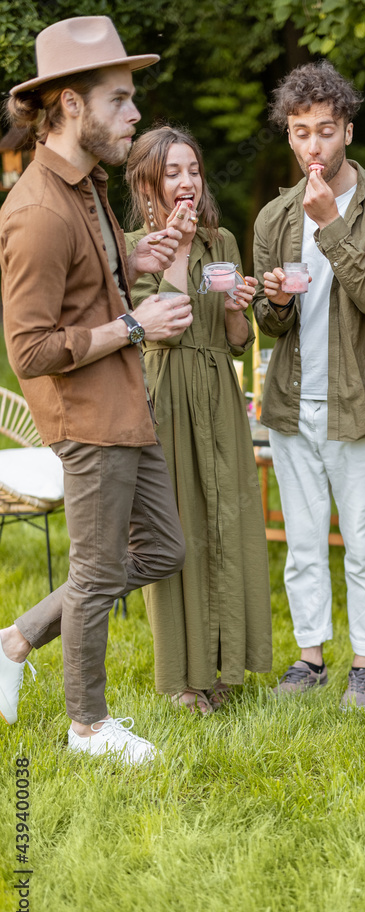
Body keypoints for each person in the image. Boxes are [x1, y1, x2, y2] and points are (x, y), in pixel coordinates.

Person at [0, 17, 192, 763]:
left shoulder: (85, 186)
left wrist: (138, 258)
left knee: (161, 549)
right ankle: (88, 727)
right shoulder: (39, 211)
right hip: (85, 415)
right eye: (120, 100)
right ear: (72, 105)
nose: (135, 115)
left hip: (123, 403)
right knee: (97, 571)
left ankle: (16, 639)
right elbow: (31, 348)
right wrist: (135, 327)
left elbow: (94, 285)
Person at [253, 61, 365, 710]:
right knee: (303, 544)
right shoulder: (273, 218)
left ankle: (364, 666)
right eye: (299, 133)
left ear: (346, 129)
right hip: (292, 405)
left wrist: (330, 226)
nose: (312, 146)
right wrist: (273, 301)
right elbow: (268, 324)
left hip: (361, 407)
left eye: (324, 131)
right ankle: (310, 657)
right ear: (289, 136)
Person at [124, 126, 272, 712]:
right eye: (172, 172)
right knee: (179, 529)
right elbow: (168, 319)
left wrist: (239, 311)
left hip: (217, 390)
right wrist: (178, 248)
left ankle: (225, 666)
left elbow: (236, 340)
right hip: (165, 392)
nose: (186, 182)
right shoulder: (133, 245)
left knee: (227, 524)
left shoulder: (226, 240)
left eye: (193, 170)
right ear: (149, 183)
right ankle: (183, 680)